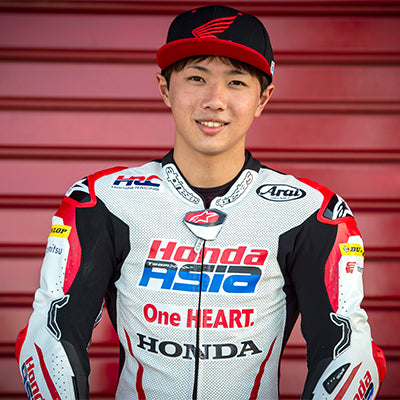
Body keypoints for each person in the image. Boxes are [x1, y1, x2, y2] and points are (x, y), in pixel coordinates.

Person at [15, 4, 386, 399]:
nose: (214, 100)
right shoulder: (102, 200)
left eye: (236, 82)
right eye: (196, 77)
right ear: (165, 89)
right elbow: (49, 337)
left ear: (263, 98)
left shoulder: (312, 212)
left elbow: (349, 350)